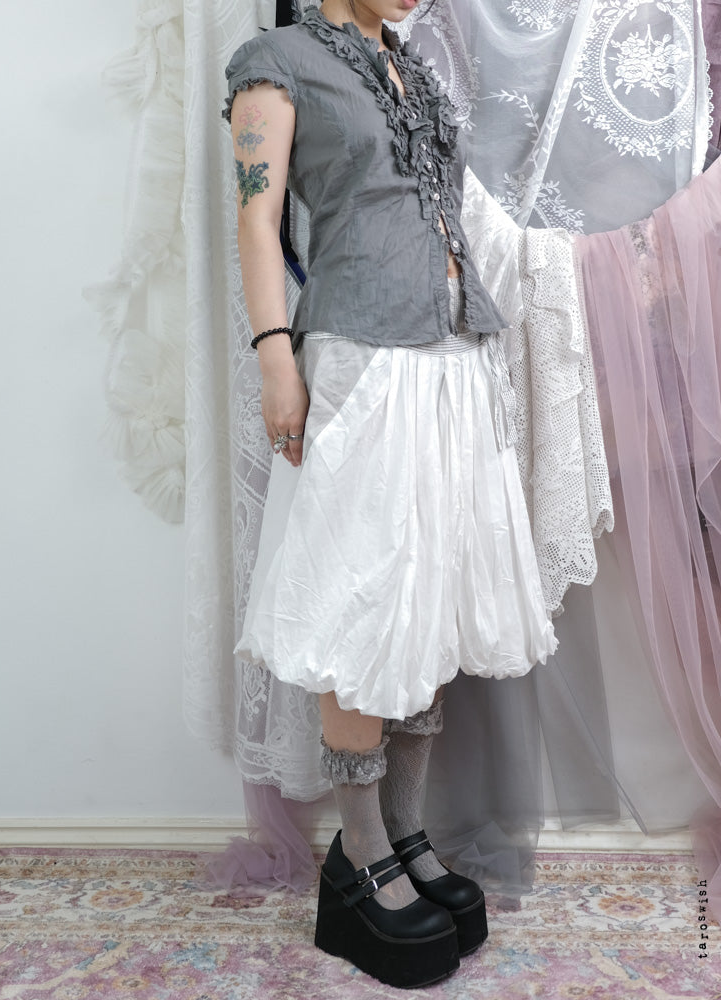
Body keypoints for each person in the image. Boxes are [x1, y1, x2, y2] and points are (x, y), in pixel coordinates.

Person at [223, 0, 556, 987]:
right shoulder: (275, 60)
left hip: (452, 354)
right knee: (362, 602)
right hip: (363, 356)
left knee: (428, 596)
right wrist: (275, 357)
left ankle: (405, 831)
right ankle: (359, 853)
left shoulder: (410, 65)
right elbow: (258, 216)